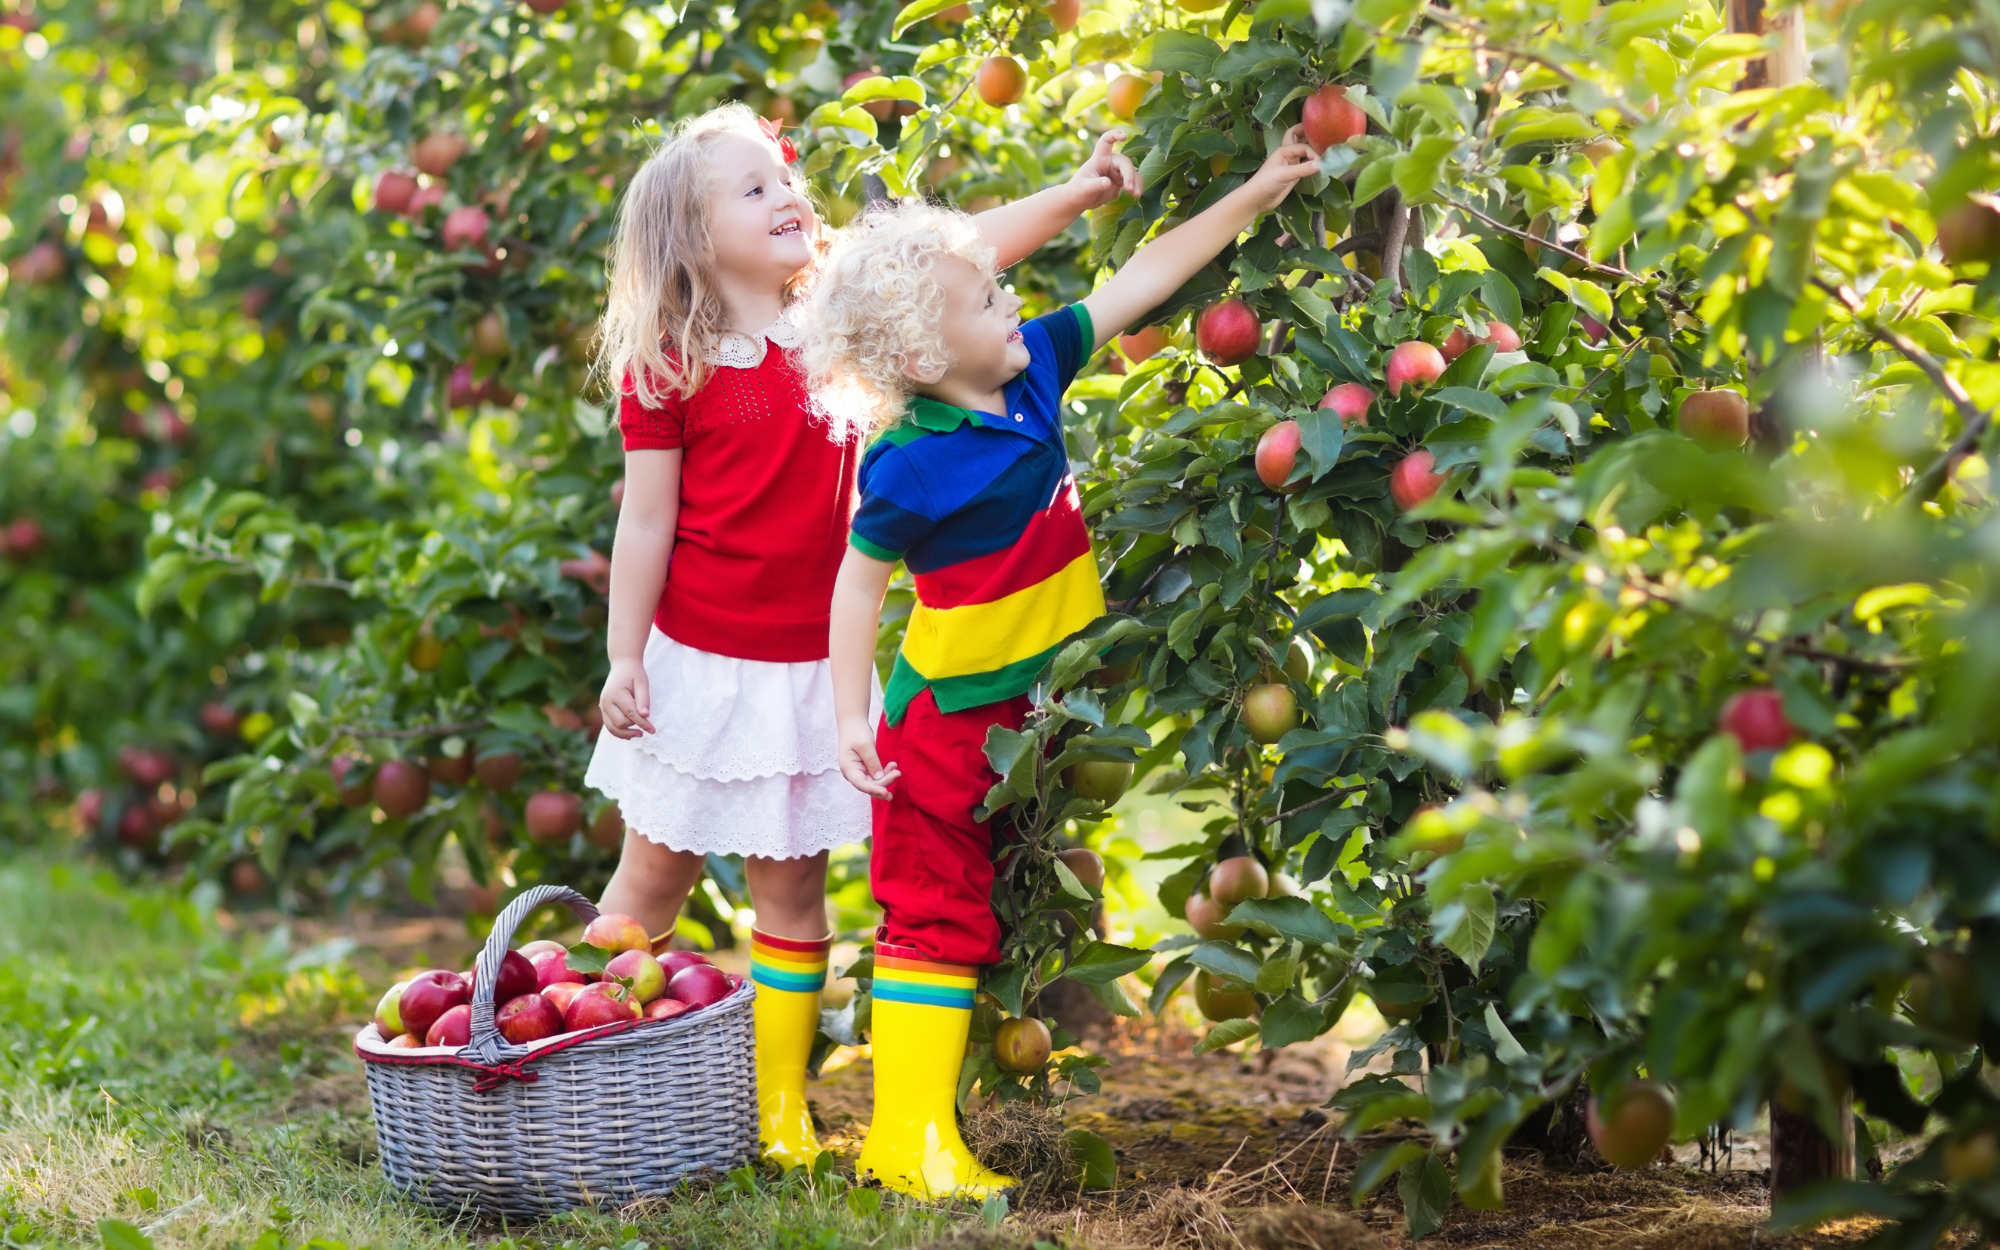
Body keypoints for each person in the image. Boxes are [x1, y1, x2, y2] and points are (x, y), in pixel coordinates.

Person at [583, 102, 1139, 1173]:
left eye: (784, 177)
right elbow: (644, 521)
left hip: (807, 666)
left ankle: (776, 1108)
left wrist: (1075, 193)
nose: (787, 196)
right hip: (700, 662)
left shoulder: (834, 304)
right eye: (753, 188)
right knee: (651, 874)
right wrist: (624, 655)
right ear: (693, 235)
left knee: (792, 893)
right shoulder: (672, 361)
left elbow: (963, 253)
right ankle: (583, 1058)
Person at [804, 128, 1322, 1199]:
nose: (1011, 303)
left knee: (984, 909)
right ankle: (906, 1140)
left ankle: (928, 1127)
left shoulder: (1035, 367)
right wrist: (851, 719)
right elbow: (856, 587)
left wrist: (1258, 190)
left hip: (1028, 715)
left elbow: (1146, 275)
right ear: (921, 359)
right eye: (985, 299)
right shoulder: (907, 464)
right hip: (943, 723)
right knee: (933, 913)